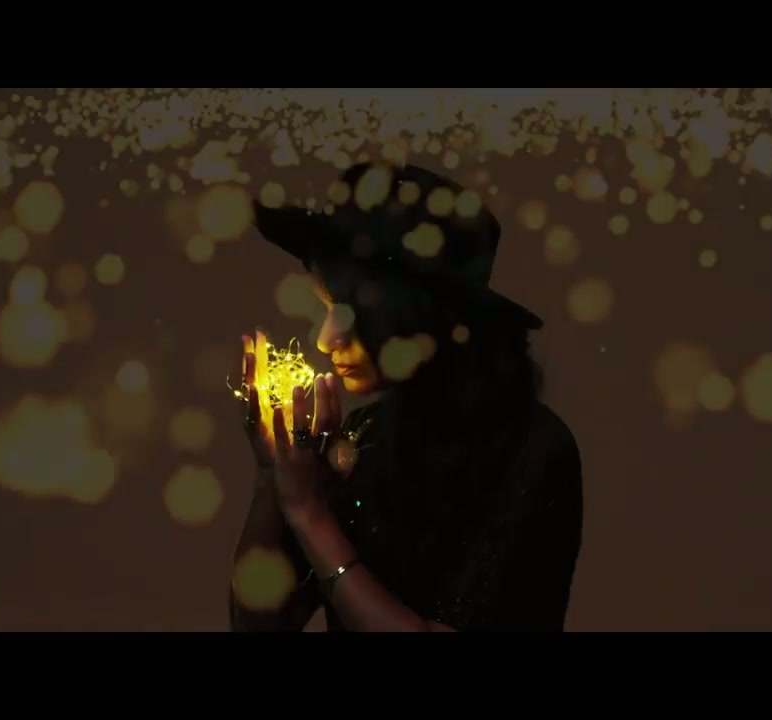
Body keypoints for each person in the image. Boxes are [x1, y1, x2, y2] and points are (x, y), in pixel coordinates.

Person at [228, 161, 583, 632]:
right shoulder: (365, 436)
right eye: (326, 309)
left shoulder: (533, 449)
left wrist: (310, 515)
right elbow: (258, 625)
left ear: (416, 314)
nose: (325, 340)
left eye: (347, 311)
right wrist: (273, 479)